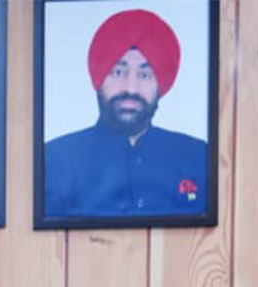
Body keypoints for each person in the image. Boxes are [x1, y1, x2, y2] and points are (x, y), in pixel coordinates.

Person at [42, 8, 209, 220]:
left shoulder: (198, 157)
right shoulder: (55, 159)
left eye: (145, 75)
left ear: (161, 85)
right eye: (118, 72)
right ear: (99, 78)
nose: (131, 88)